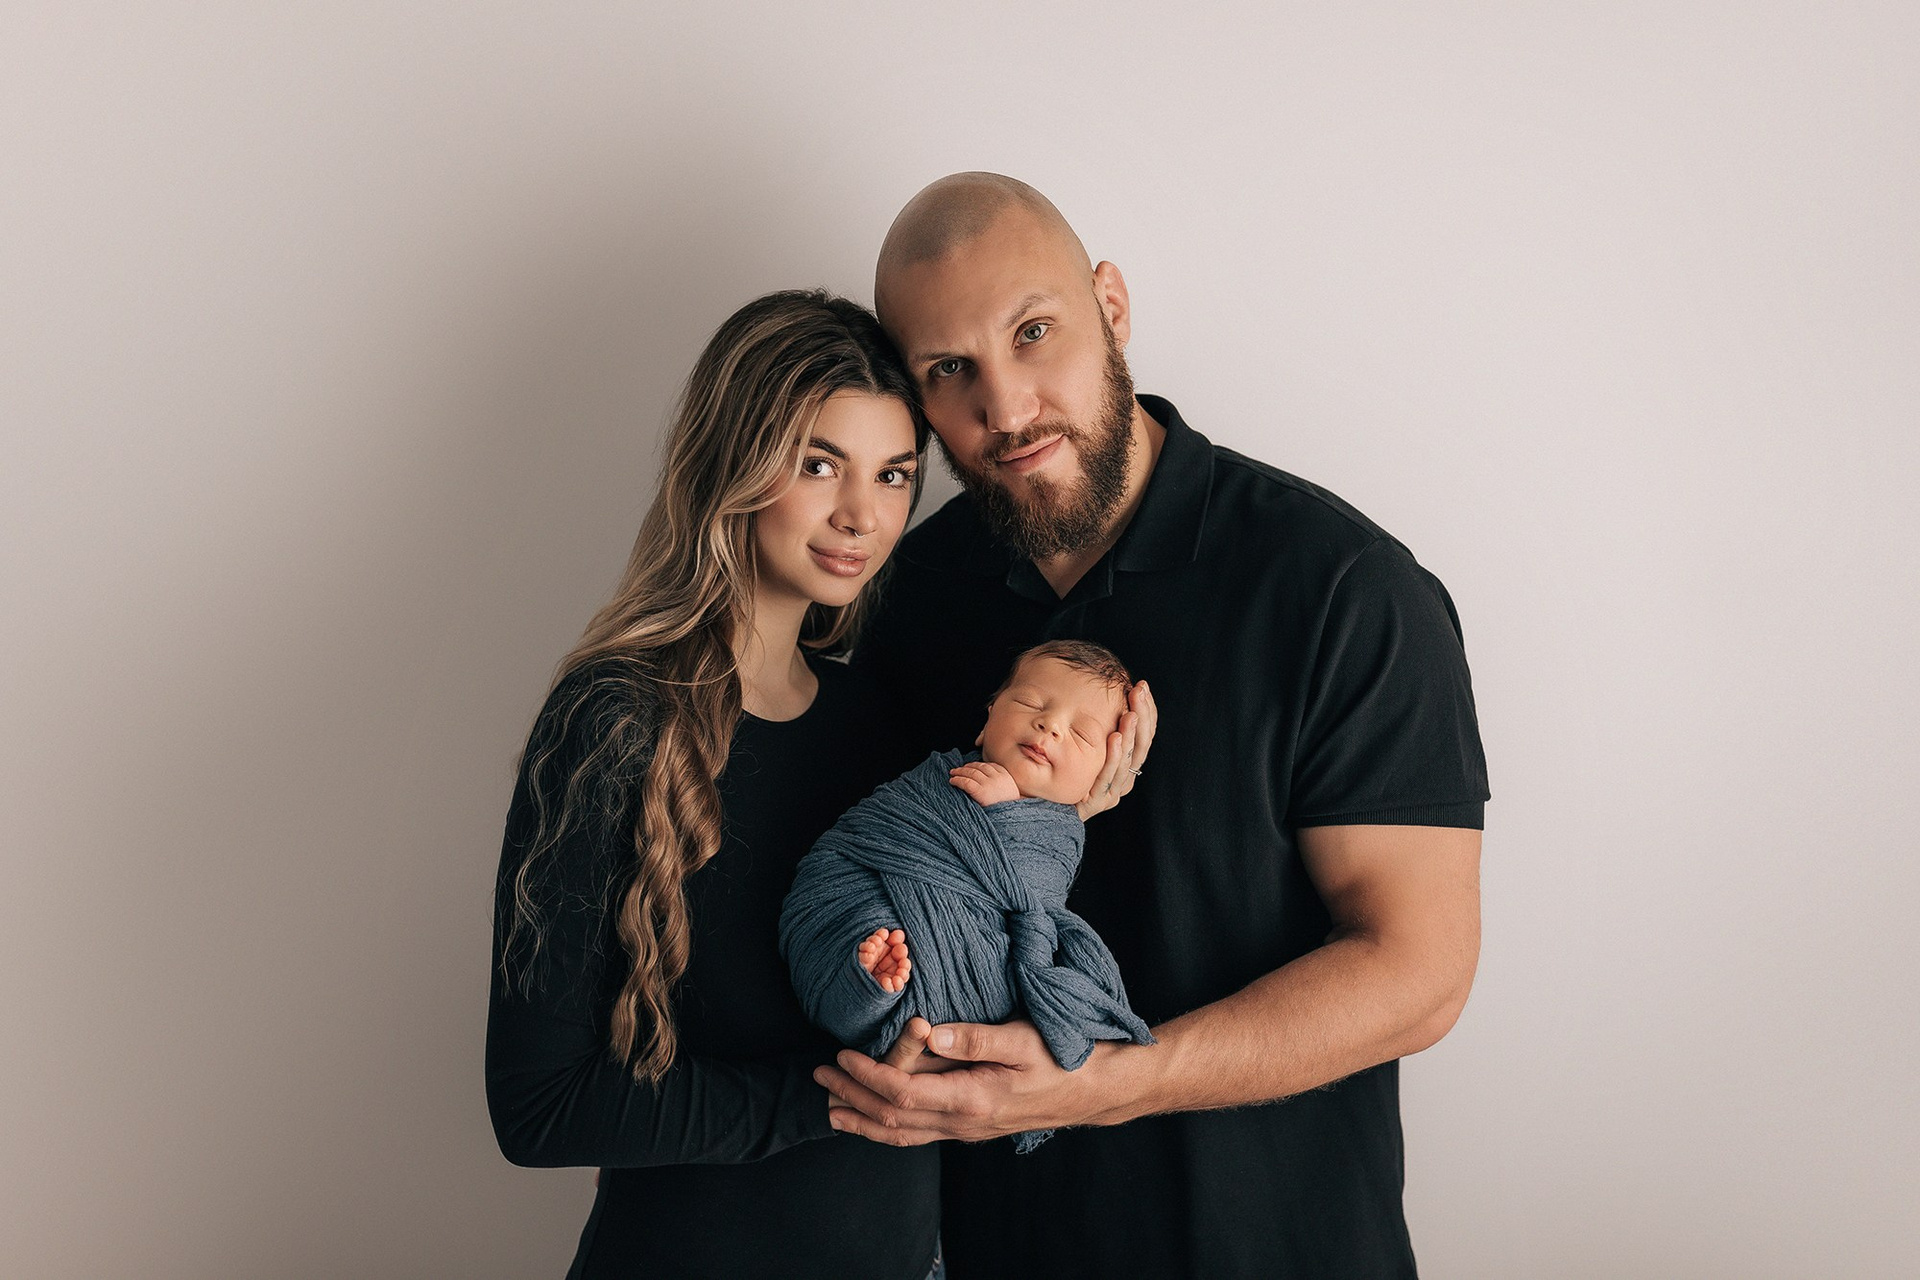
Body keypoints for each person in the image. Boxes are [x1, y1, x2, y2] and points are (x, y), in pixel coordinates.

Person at [818, 174, 1492, 1278]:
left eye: (1033, 332)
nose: (1006, 407)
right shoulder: (903, 595)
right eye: (950, 369)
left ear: (1111, 306)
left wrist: (1107, 1081)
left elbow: (1419, 971)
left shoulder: (1339, 588)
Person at [485, 289, 947, 1279]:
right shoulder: (614, 720)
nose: (863, 514)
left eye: (895, 474)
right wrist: (829, 1099)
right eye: (818, 464)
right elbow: (538, 1105)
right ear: (733, 462)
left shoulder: (884, 721)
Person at [778, 640, 1156, 1152]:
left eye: (1081, 733)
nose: (1049, 725)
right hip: (856, 911)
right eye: (1030, 703)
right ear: (987, 721)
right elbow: (865, 834)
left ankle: (877, 985)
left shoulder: (1061, 834)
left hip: (961, 989)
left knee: (980, 974)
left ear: (1102, 777)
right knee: (871, 951)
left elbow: (1031, 901)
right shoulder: (941, 780)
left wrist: (1008, 816)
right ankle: (868, 983)